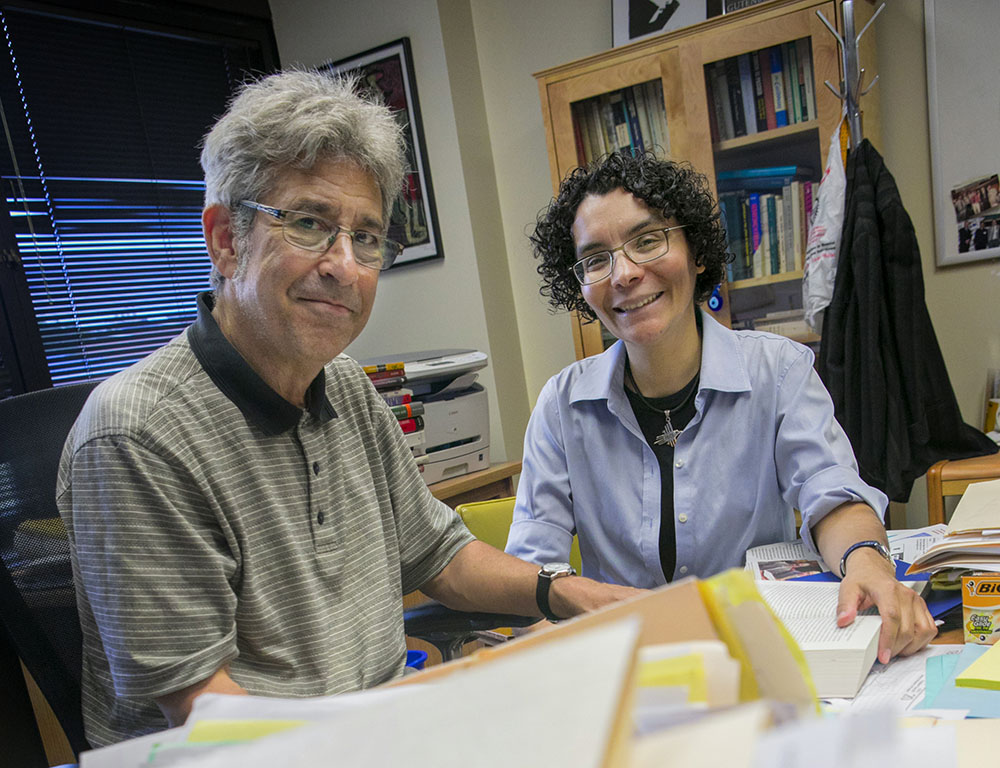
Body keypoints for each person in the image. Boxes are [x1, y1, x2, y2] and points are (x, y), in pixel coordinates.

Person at [57, 71, 639, 747]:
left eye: (366, 237)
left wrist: (569, 591)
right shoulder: (136, 434)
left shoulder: (345, 387)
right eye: (308, 223)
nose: (345, 265)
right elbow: (204, 716)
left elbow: (440, 557)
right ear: (224, 239)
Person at [505, 151, 936, 667]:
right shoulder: (560, 406)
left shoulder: (778, 372)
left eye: (647, 241)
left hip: (759, 661)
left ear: (696, 253)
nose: (624, 273)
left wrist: (867, 561)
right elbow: (532, 571)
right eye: (596, 258)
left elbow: (830, 492)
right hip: (625, 673)